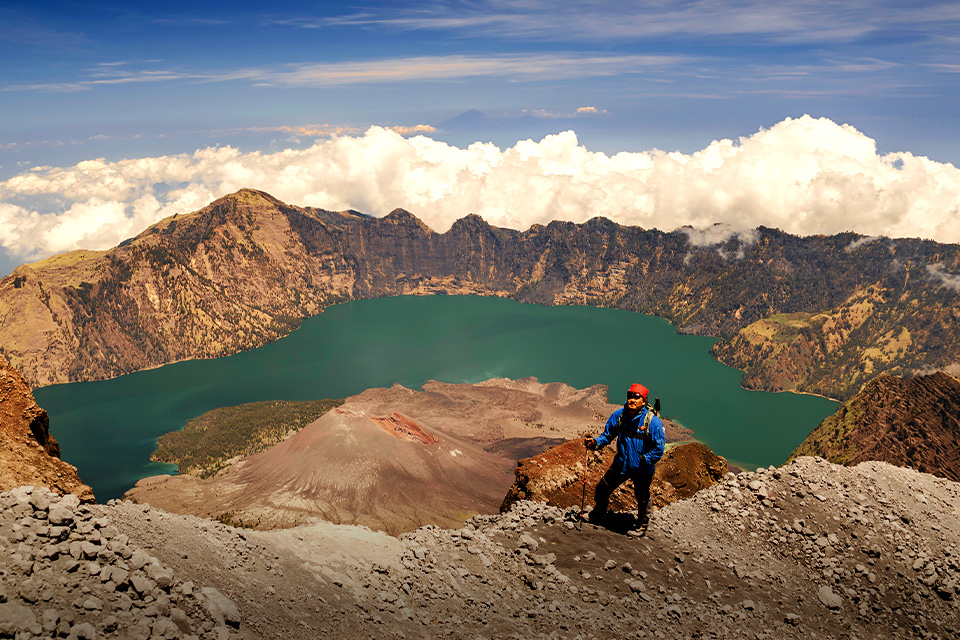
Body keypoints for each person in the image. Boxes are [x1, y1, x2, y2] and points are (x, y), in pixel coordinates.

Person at [584, 382, 665, 532]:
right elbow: (607, 436)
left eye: (637, 397)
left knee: (642, 495)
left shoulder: (653, 422)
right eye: (630, 396)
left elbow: (659, 449)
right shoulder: (619, 416)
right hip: (621, 464)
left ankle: (642, 523)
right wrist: (594, 443)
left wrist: (644, 460)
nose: (632, 400)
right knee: (603, 488)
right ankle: (599, 514)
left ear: (644, 401)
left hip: (643, 469)